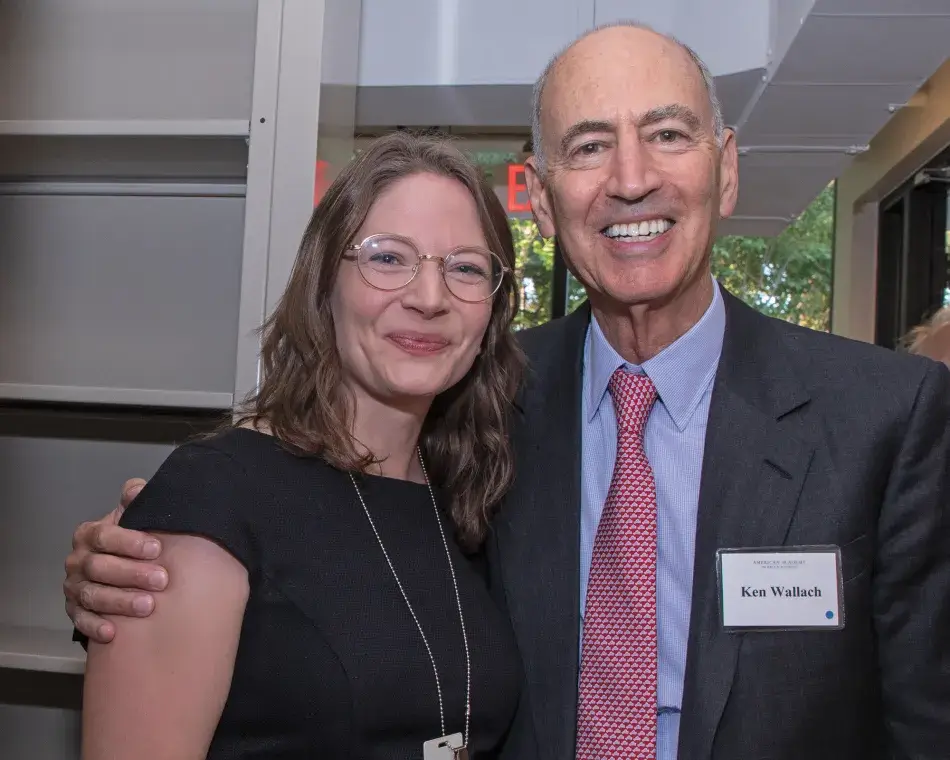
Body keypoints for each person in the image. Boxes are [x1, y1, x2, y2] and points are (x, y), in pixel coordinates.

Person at [64, 22, 950, 760]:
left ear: (725, 168)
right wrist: (142, 567)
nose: (630, 177)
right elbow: (304, 550)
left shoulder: (884, 419)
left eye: (668, 134)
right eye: (589, 145)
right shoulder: (486, 407)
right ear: (546, 190)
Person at [77, 130, 527, 760]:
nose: (430, 299)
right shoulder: (215, 495)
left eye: (466, 269)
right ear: (325, 283)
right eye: (388, 257)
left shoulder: (466, 496)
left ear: (492, 311)